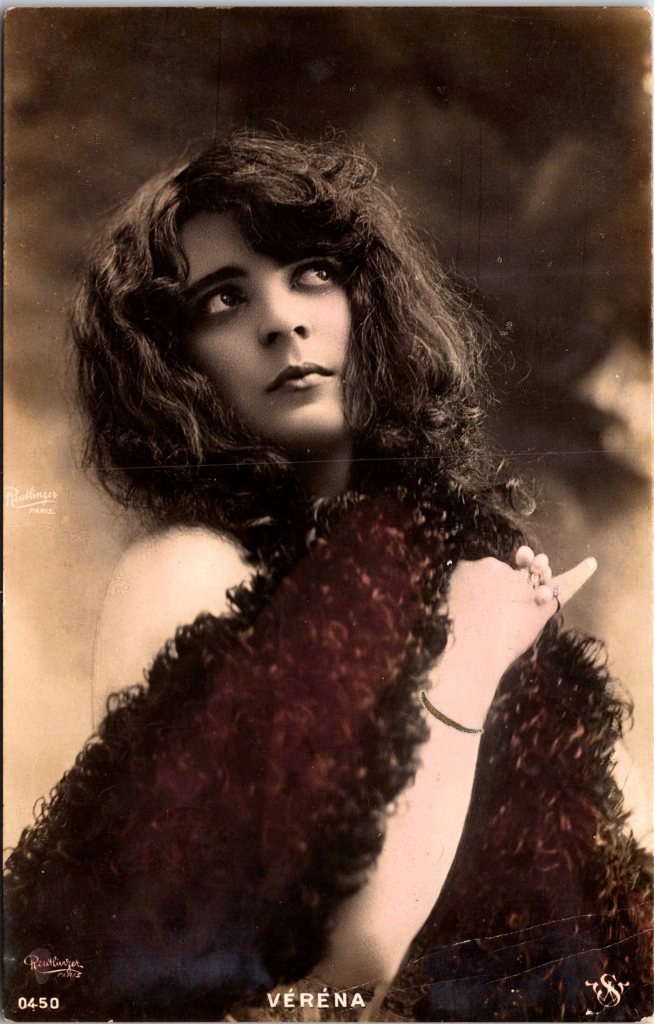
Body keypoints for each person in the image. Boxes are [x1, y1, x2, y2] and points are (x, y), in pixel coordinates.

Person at [4, 131, 652, 1023]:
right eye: (224, 298)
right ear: (176, 359)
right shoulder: (188, 574)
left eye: (312, 272)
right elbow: (322, 992)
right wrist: (465, 666)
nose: (283, 320)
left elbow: (624, 903)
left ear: (366, 299)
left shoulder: (469, 556)